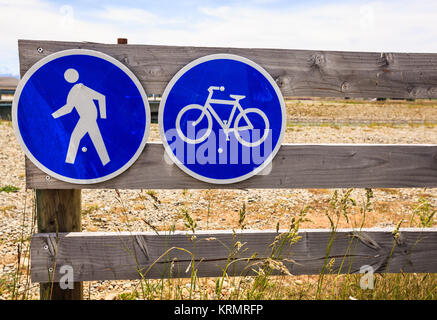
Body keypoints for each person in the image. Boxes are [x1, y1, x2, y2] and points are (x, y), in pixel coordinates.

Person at [52, 68, 110, 166]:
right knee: (96, 139)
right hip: (87, 117)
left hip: (88, 116)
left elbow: (101, 97)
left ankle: (69, 164)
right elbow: (69, 108)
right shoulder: (73, 91)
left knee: (75, 137)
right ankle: (106, 162)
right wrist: (54, 116)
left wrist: (103, 116)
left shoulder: (81, 87)